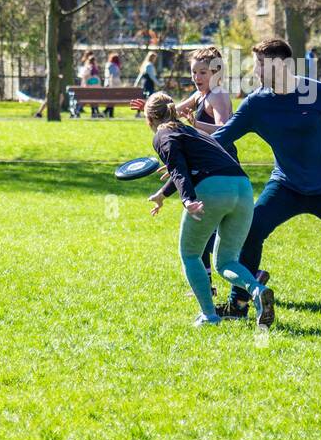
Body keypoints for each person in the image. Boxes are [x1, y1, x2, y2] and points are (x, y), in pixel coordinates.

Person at [211, 38, 321, 324]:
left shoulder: (316, 93)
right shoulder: (257, 104)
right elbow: (221, 138)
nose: (255, 73)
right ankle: (238, 303)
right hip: (285, 186)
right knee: (251, 232)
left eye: (260, 66)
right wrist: (183, 152)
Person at [144, 92, 275, 329]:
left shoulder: (162, 134)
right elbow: (185, 165)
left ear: (150, 119)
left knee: (191, 254)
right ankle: (258, 290)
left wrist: (187, 199)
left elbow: (178, 168)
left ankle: (209, 316)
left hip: (212, 189)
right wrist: (162, 195)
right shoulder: (191, 132)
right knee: (226, 261)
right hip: (243, 188)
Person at [133, 47, 237, 285]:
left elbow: (226, 130)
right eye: (194, 72)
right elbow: (171, 113)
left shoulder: (218, 95)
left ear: (217, 72)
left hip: (220, 167)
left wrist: (196, 124)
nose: (197, 78)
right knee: (204, 226)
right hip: (203, 168)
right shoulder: (200, 96)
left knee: (210, 230)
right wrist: (150, 110)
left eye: (203, 72)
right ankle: (209, 282)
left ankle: (245, 273)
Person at [102, 52, 122, 117]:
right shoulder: (113, 66)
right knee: (112, 99)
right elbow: (112, 75)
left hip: (108, 83)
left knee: (111, 99)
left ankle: (107, 112)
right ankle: (108, 113)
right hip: (112, 84)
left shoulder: (108, 64)